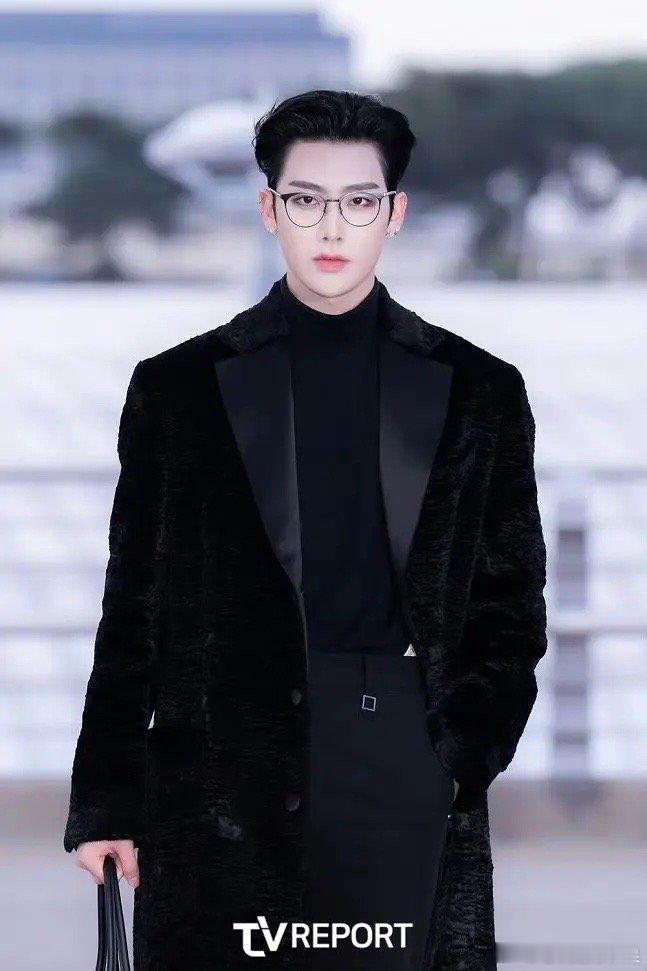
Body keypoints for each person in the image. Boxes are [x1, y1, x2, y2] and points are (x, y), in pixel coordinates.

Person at [64, 90, 547, 971]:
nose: (331, 225)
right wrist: (106, 801)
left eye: (358, 200)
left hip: (401, 756)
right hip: (219, 769)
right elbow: (132, 605)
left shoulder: (480, 389)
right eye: (305, 199)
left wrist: (457, 754)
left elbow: (510, 601)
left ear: (393, 213)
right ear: (268, 209)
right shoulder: (179, 386)